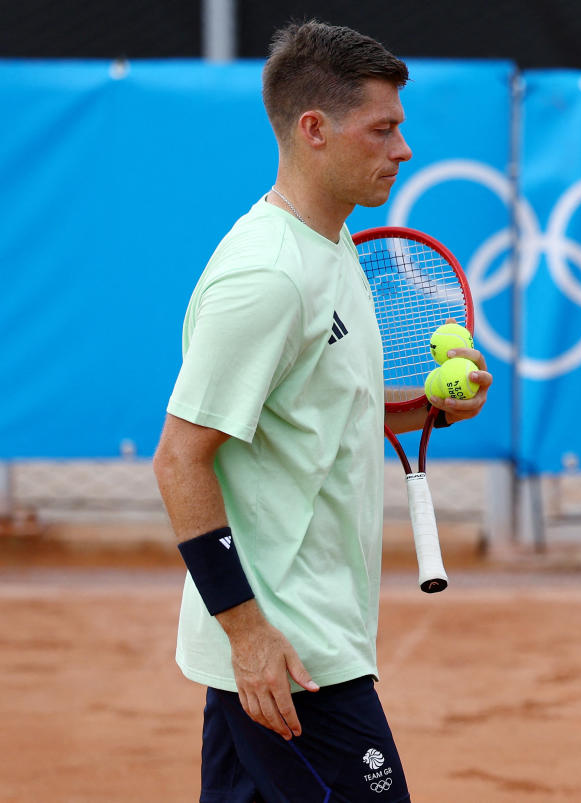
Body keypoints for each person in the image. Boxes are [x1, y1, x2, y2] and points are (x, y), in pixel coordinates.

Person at [152, 20, 491, 803]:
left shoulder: (333, 246)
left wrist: (435, 410)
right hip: (294, 654)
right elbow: (180, 458)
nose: (402, 149)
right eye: (384, 129)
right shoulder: (267, 277)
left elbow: (324, 419)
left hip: (300, 638)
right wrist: (247, 632)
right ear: (314, 130)